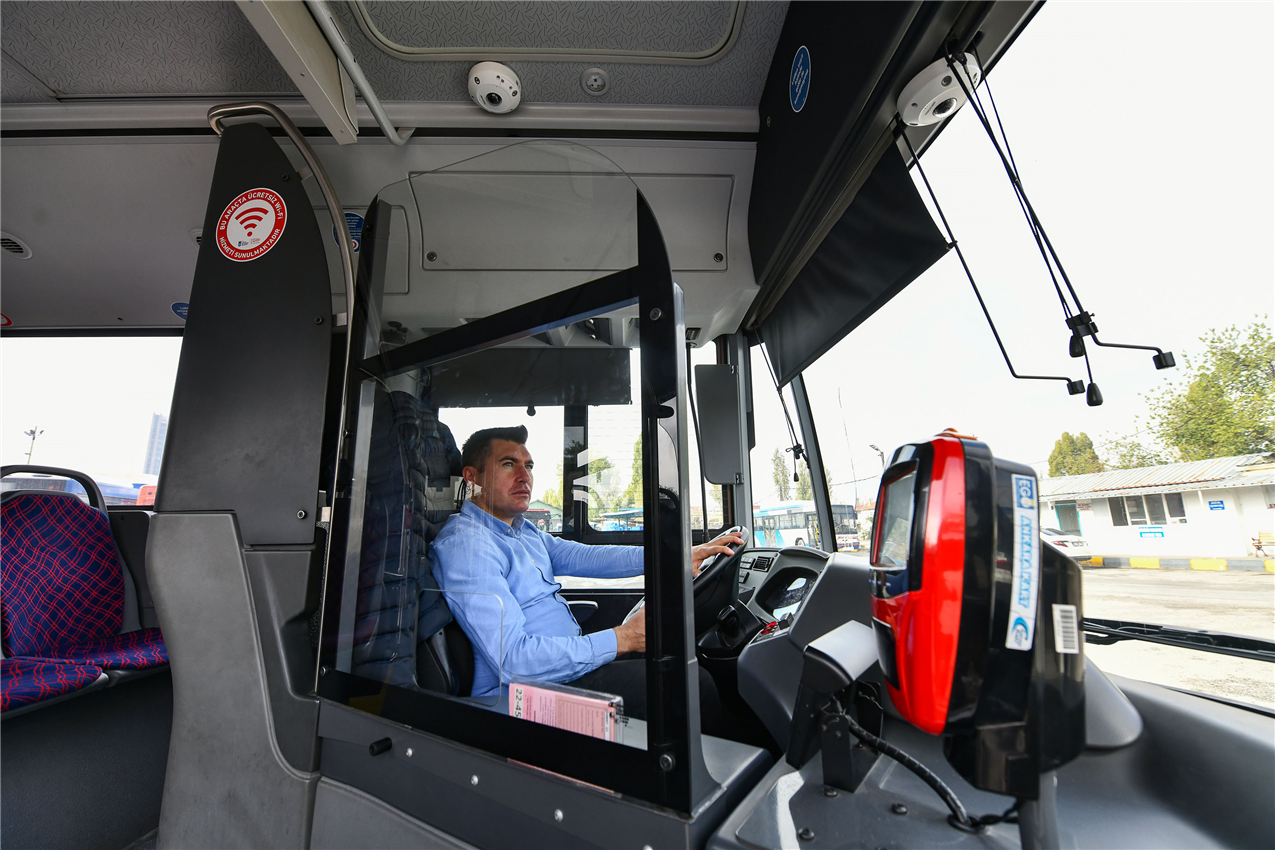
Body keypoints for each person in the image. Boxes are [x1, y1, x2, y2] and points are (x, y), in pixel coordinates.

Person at [428, 425, 743, 722]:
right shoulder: (468, 546)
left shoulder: (522, 532)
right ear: (472, 477)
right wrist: (624, 638)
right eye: (509, 464)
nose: (525, 477)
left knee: (676, 659)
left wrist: (674, 558)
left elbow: (588, 556)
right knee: (691, 684)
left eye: (529, 466)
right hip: (527, 696)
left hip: (564, 671)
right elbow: (514, 661)